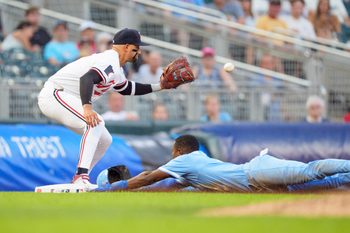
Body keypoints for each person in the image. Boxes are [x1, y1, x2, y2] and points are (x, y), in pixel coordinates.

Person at [38, 28, 184, 190]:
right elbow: (87, 78)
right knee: (95, 123)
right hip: (55, 94)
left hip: (66, 97)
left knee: (104, 139)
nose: (138, 52)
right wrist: (87, 108)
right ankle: (81, 176)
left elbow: (127, 88)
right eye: (136, 48)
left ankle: (79, 179)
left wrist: (160, 86)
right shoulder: (109, 60)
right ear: (126, 46)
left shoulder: (116, 68)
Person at [97, 135, 350, 192]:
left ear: (177, 151)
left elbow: (151, 177)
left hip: (256, 172)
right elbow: (180, 190)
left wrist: (115, 188)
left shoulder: (184, 160)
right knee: (325, 183)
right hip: (260, 185)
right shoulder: (196, 166)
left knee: (311, 171)